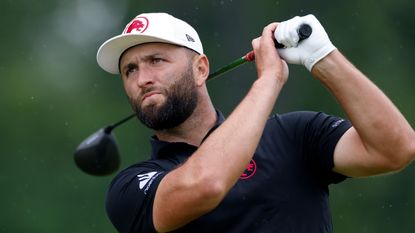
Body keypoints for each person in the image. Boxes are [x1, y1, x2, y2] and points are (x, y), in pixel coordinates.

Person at [96, 12, 415, 233]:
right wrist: (269, 80)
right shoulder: (132, 187)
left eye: (156, 61)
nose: (142, 79)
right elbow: (206, 184)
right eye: (130, 70)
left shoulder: (293, 135)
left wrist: (323, 57)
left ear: (200, 70)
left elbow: (396, 148)